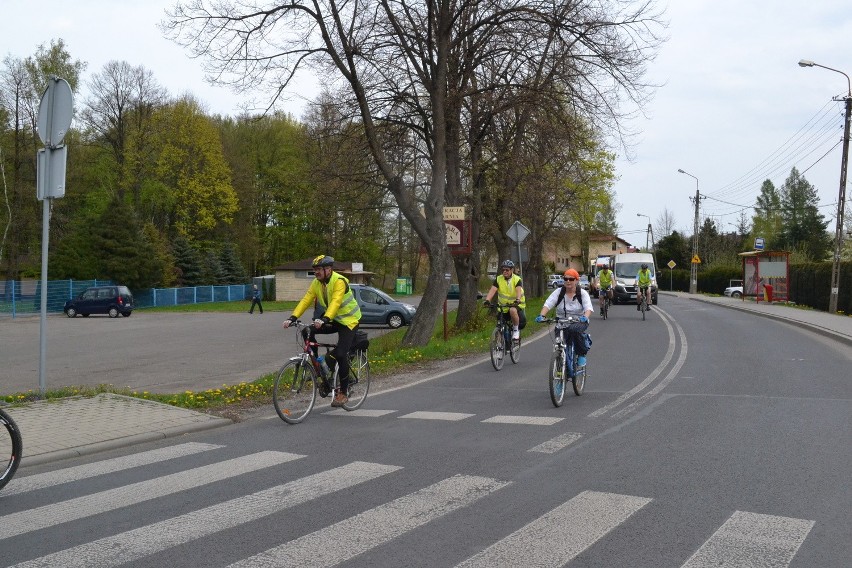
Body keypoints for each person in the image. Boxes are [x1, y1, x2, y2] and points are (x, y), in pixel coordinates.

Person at [283, 255, 362, 407]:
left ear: (328, 269)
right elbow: (306, 300)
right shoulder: (316, 283)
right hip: (334, 320)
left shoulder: (339, 281)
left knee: (339, 354)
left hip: (349, 322)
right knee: (307, 330)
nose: (316, 273)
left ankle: (343, 393)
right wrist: (293, 317)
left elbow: (336, 301)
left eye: (319, 269)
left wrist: (325, 319)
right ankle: (318, 367)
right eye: (315, 270)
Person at [535, 268, 593, 366]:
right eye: (566, 279)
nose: (568, 281)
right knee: (559, 345)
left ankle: (582, 353)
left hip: (579, 321)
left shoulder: (582, 293)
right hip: (562, 322)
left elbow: (588, 308)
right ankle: (559, 371)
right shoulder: (558, 292)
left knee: (574, 330)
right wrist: (542, 315)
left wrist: (585, 317)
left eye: (571, 279)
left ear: (576, 280)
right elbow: (548, 304)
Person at [483, 259, 526, 340]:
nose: (505, 271)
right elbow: (493, 290)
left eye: (507, 270)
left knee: (512, 310)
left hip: (516, 305)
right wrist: (487, 300)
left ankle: (516, 330)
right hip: (503, 306)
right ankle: (500, 345)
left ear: (512, 270)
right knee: (500, 325)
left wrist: (517, 299)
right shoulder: (499, 279)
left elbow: (518, 291)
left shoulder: (517, 279)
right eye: (503, 270)